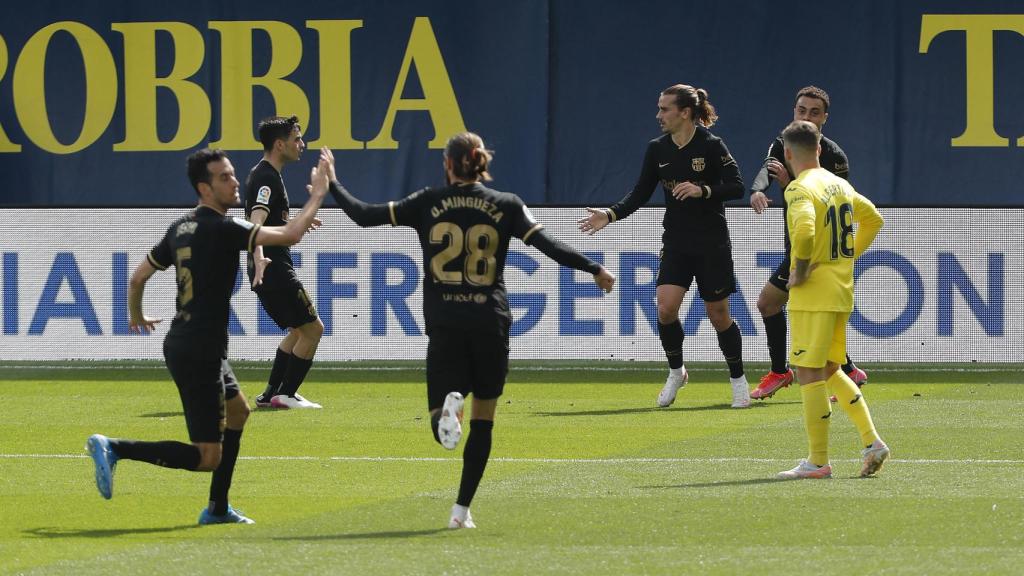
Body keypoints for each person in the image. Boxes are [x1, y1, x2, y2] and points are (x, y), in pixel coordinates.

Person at [325, 132, 616, 529]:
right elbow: (548, 245)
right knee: (485, 418)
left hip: (444, 320)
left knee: (439, 423)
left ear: (448, 164)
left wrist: (332, 183)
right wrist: (594, 268)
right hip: (489, 320)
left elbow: (363, 215)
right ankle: (461, 511)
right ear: (482, 162)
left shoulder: (427, 202)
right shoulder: (506, 205)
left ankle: (449, 407)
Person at [85, 148, 330, 523]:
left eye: (232, 174)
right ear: (204, 187)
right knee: (206, 457)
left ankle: (217, 508)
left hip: (192, 343)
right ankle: (116, 447)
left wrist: (136, 316)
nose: (234, 182)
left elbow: (137, 278)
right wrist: (317, 193)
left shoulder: (181, 227)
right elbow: (292, 234)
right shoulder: (223, 227)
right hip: (198, 349)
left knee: (239, 411)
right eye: (224, 178)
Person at [578, 84, 750, 409]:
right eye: (659, 108)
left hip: (712, 244)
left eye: (664, 109)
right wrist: (610, 214)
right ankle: (676, 371)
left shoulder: (712, 146)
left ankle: (738, 379)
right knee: (666, 308)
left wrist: (704, 191)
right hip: (676, 242)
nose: (658, 115)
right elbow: (640, 192)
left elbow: (737, 186)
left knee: (718, 315)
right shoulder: (658, 149)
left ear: (684, 112)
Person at [773, 120, 889, 480]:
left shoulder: (798, 189)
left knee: (808, 372)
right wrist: (848, 257)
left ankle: (817, 461)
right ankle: (872, 443)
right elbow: (874, 219)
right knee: (829, 369)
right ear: (820, 149)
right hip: (840, 289)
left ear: (788, 153)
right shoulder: (839, 184)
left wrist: (804, 269)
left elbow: (805, 232)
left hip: (813, 294)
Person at [748, 86, 868, 401]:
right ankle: (846, 370)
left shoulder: (833, 156)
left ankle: (798, 373)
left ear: (825, 118)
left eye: (814, 112)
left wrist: (791, 185)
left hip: (817, 254)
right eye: (802, 110)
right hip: (799, 250)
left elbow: (833, 206)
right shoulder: (783, 143)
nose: (807, 116)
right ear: (794, 111)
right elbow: (766, 170)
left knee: (775, 305)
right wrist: (758, 190)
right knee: (781, 307)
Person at [246, 116, 325, 409]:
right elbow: (255, 222)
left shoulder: (266, 174)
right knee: (313, 329)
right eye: (297, 139)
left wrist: (294, 222)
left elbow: (266, 221)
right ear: (280, 144)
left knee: (297, 331)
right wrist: (260, 258)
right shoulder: (266, 177)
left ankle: (270, 396)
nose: (301, 144)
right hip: (273, 265)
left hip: (269, 265)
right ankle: (287, 395)